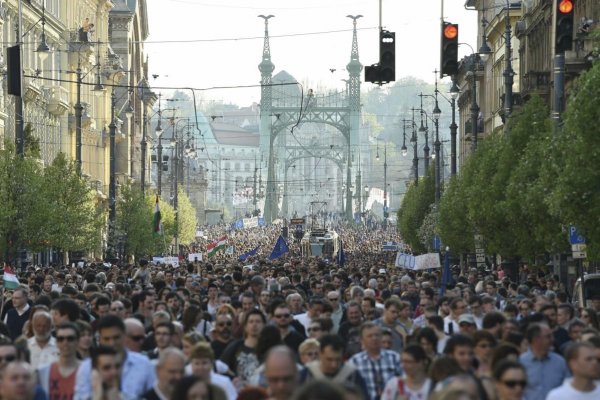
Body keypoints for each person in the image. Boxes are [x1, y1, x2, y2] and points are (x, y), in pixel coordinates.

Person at [74, 315, 156, 399]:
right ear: (100, 339)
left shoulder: (143, 364)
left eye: (116, 337)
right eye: (107, 339)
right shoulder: (87, 368)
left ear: (124, 336)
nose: (112, 343)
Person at [299, 334, 368, 398]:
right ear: (320, 353)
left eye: (338, 359)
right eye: (329, 359)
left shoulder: (353, 375)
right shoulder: (307, 373)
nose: (334, 365)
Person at [349, 322, 402, 400]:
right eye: (370, 336)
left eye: (377, 335)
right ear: (362, 340)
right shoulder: (354, 362)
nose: (374, 338)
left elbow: (405, 384)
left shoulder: (395, 358)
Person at [519, 323, 568, 400]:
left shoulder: (560, 362)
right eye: (548, 336)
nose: (552, 339)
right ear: (536, 339)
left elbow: (567, 388)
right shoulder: (521, 363)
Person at [220, 308, 265, 387]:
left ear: (264, 325)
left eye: (258, 321)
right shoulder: (234, 347)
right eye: (251, 322)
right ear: (245, 326)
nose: (254, 324)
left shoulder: (269, 348)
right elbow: (222, 369)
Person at [37, 322, 81, 399]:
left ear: (77, 341)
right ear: (56, 343)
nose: (65, 342)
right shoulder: (43, 372)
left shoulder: (88, 371)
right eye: (61, 339)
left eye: (70, 338)